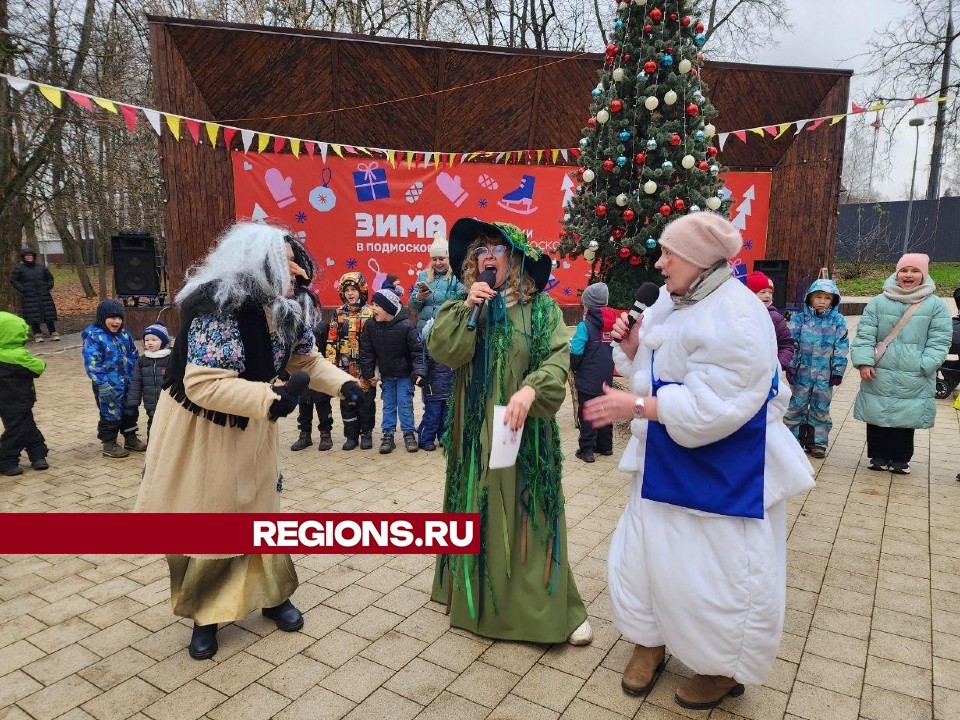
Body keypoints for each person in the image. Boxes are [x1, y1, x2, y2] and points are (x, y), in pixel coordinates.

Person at [582, 212, 814, 710]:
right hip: (663, 457)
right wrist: (631, 349)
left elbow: (717, 408)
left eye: (670, 254)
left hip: (721, 468)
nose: (660, 263)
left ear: (701, 260)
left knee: (716, 572)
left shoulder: (738, 315)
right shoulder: (674, 299)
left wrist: (637, 406)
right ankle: (652, 637)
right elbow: (655, 368)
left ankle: (722, 668)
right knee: (646, 557)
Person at [134, 222, 359, 660]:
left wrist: (343, 384)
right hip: (204, 428)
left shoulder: (288, 305)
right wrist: (270, 398)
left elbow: (304, 358)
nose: (299, 275)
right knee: (210, 515)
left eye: (299, 266)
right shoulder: (217, 305)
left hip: (254, 419)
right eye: (289, 267)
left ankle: (272, 595)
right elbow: (204, 384)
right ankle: (206, 613)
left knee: (259, 512)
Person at [429, 217, 591, 646]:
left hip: (524, 434)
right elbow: (445, 351)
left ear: (515, 259)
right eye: (479, 250)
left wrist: (530, 390)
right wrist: (468, 308)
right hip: (474, 435)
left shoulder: (542, 310)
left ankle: (550, 608)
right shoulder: (465, 307)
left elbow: (557, 360)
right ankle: (472, 599)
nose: (486, 256)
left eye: (495, 249)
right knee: (476, 507)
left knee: (528, 512)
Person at [850, 253, 952, 474]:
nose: (909, 275)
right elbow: (865, 334)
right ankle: (877, 456)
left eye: (915, 271)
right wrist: (864, 362)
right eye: (904, 270)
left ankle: (900, 459)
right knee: (876, 413)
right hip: (880, 370)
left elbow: (940, 339)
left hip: (914, 373)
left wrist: (926, 364)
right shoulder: (879, 301)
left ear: (923, 275)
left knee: (906, 418)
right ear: (897, 273)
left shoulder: (935, 305)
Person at [783, 279, 848, 459]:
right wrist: (791, 366)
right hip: (802, 372)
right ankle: (792, 439)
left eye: (827, 298)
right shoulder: (799, 319)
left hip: (825, 374)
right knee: (797, 405)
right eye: (818, 297)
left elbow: (841, 347)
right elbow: (792, 344)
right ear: (809, 298)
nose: (822, 301)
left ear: (833, 301)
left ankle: (817, 442)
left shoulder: (837, 321)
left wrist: (838, 370)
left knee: (821, 408)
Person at [360, 287, 425, 454]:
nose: (373, 308)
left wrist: (419, 373)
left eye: (377, 305)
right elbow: (367, 351)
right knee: (388, 405)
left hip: (404, 374)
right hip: (386, 374)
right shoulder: (370, 326)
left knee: (404, 403)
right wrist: (368, 374)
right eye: (372, 304)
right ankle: (388, 435)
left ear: (388, 307)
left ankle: (408, 433)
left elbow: (417, 352)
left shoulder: (406, 326)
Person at [82, 300, 146, 458]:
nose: (117, 321)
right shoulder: (94, 337)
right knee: (110, 413)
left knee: (130, 410)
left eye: (119, 318)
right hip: (108, 386)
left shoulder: (124, 335)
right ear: (102, 318)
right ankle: (109, 443)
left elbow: (133, 354)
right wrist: (102, 384)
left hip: (128, 382)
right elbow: (93, 362)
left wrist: (137, 375)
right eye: (112, 317)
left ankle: (130, 438)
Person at [326, 272, 377, 450]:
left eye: (353, 289)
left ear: (362, 291)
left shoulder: (370, 313)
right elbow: (332, 341)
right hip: (344, 368)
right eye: (346, 290)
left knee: (366, 402)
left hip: (365, 368)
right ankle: (351, 435)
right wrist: (331, 366)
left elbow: (377, 342)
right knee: (348, 402)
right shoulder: (338, 314)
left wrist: (375, 369)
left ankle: (366, 433)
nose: (350, 293)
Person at [570, 282, 616, 463]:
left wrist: (575, 367)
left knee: (588, 412)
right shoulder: (612, 323)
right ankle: (606, 447)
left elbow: (576, 351)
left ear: (587, 305)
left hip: (588, 379)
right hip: (606, 377)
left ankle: (586, 450)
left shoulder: (585, 326)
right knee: (604, 410)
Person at [0, 311, 49, 475]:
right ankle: (6, 459)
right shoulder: (18, 356)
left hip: (6, 402)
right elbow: (38, 367)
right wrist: (40, 361)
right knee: (17, 430)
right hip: (19, 400)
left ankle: (38, 454)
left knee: (26, 425)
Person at [290, 319, 334, 451]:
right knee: (304, 404)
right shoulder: (295, 325)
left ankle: (326, 435)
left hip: (319, 371)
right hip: (301, 372)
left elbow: (330, 348)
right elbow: (289, 352)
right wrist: (285, 376)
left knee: (323, 404)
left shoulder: (322, 326)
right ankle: (305, 435)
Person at [408, 232, 465, 332]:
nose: (438, 263)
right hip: (424, 330)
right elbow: (413, 308)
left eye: (441, 259)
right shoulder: (423, 275)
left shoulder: (457, 276)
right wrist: (418, 298)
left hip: (446, 331)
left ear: (449, 258)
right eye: (434, 259)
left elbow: (463, 305)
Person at [125, 323, 172, 437]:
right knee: (153, 425)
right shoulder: (142, 361)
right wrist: (132, 401)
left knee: (170, 426)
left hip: (169, 402)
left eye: (154, 339)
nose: (150, 342)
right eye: (147, 340)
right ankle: (152, 447)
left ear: (164, 341)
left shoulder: (171, 358)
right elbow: (136, 382)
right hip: (151, 403)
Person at [416, 318, 453, 451]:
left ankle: (444, 438)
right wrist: (421, 376)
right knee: (432, 415)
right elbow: (423, 365)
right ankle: (425, 439)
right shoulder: (428, 350)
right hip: (433, 389)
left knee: (446, 416)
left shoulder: (452, 349)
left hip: (449, 388)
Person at [746, 271, 794, 372]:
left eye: (770, 292)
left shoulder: (775, 318)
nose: (768, 295)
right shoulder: (741, 315)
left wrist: (780, 364)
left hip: (767, 372)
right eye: (762, 292)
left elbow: (786, 344)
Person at [10, 248, 58, 342]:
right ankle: (37, 334)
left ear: (33, 257)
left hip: (44, 294)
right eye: (27, 256)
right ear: (23, 257)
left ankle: (53, 332)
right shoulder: (19, 268)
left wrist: (48, 286)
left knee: (48, 314)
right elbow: (14, 280)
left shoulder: (41, 267)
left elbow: (50, 278)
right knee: (33, 316)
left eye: (30, 255)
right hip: (29, 296)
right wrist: (22, 288)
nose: (29, 257)